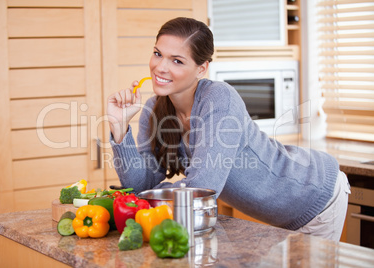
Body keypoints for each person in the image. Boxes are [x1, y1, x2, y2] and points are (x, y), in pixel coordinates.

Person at [107, 17, 350, 241]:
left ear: (201, 68)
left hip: (313, 196)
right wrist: (120, 128)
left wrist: (149, 195)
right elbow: (141, 186)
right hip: (276, 217)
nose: (160, 67)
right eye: (158, 54)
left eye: (177, 61)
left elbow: (201, 188)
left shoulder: (218, 99)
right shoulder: (153, 109)